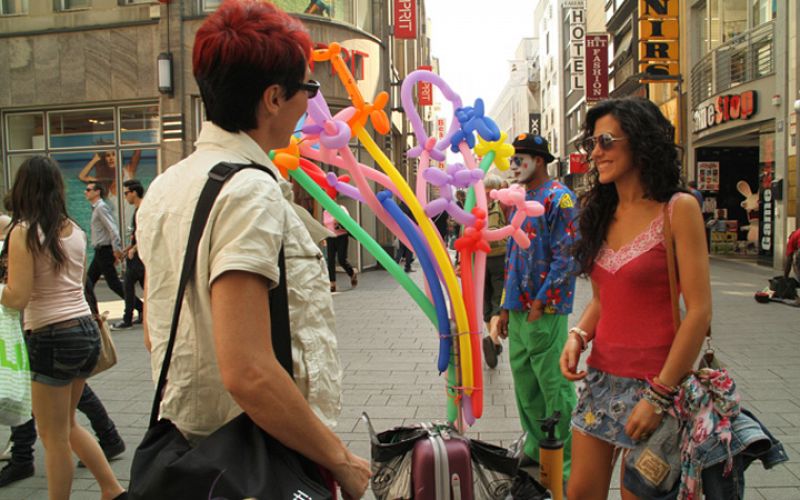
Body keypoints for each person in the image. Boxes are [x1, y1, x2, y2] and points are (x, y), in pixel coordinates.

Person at [135, 2, 370, 498]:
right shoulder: (249, 191)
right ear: (272, 97)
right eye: (308, 88)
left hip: (190, 451)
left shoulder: (166, 186)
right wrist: (341, 461)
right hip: (257, 462)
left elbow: (159, 335)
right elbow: (248, 369)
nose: (311, 102)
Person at [560, 97, 711, 499]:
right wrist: (578, 334)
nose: (595, 153)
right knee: (579, 493)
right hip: (601, 382)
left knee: (639, 496)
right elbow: (605, 297)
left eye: (606, 140)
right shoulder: (598, 211)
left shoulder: (678, 209)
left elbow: (698, 312)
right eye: (591, 143)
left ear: (641, 141)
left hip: (658, 386)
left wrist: (660, 395)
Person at [0, 156, 126, 499]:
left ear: (23, 189)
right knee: (67, 426)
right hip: (85, 331)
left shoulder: (24, 232)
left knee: (52, 436)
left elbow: (17, 296)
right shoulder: (75, 230)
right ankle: (112, 490)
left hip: (50, 337)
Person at [498, 133, 579, 475]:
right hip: (518, 307)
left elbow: (568, 255)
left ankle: (564, 460)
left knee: (552, 384)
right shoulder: (520, 199)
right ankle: (535, 445)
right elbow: (513, 256)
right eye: (512, 160)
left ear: (540, 161)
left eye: (520, 159)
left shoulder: (559, 198)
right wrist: (504, 305)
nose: (514, 166)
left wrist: (542, 299)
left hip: (544, 309)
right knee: (525, 381)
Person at [83, 182, 128, 316]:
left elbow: (112, 229)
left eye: (88, 189)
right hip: (100, 251)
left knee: (113, 284)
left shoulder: (101, 208)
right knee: (88, 282)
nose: (85, 192)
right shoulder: (97, 208)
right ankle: (93, 313)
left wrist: (116, 249)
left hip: (104, 251)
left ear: (97, 192)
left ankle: (139, 306)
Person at [111, 180, 145, 329]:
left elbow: (145, 234)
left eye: (126, 193)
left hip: (138, 258)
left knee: (128, 286)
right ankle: (137, 315)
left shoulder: (143, 210)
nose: (125, 197)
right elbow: (137, 236)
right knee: (135, 287)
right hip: (135, 257)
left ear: (134, 192)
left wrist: (134, 249)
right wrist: (127, 249)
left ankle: (127, 319)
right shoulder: (138, 210)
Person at [481, 174, 507, 369]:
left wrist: (460, 263)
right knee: (498, 300)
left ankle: (494, 341)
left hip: (480, 260)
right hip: (500, 258)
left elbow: (463, 231)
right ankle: (492, 339)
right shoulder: (505, 204)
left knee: (486, 302)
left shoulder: (476, 205)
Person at [323, 199, 357, 293]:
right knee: (330, 261)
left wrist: (338, 219)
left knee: (342, 259)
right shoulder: (325, 211)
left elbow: (347, 221)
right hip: (330, 237)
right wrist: (324, 238)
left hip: (342, 236)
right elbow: (325, 225)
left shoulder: (341, 208)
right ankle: (332, 283)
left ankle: (352, 273)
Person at [395, 201, 415, 272]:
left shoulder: (399, 206)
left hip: (401, 230)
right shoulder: (408, 207)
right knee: (409, 249)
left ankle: (395, 264)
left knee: (401, 248)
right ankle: (407, 267)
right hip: (408, 230)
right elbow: (413, 218)